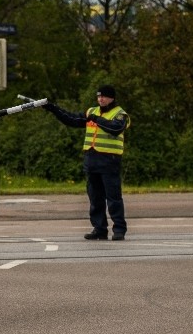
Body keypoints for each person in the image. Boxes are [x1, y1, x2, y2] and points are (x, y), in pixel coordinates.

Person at [43, 85, 131, 240]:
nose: (100, 99)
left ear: (112, 98)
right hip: (92, 161)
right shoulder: (92, 111)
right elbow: (71, 119)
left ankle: (119, 230)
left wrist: (96, 119)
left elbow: (116, 129)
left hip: (109, 161)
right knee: (95, 198)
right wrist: (54, 109)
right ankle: (99, 229)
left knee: (113, 198)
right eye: (98, 96)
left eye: (103, 96)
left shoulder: (120, 114)